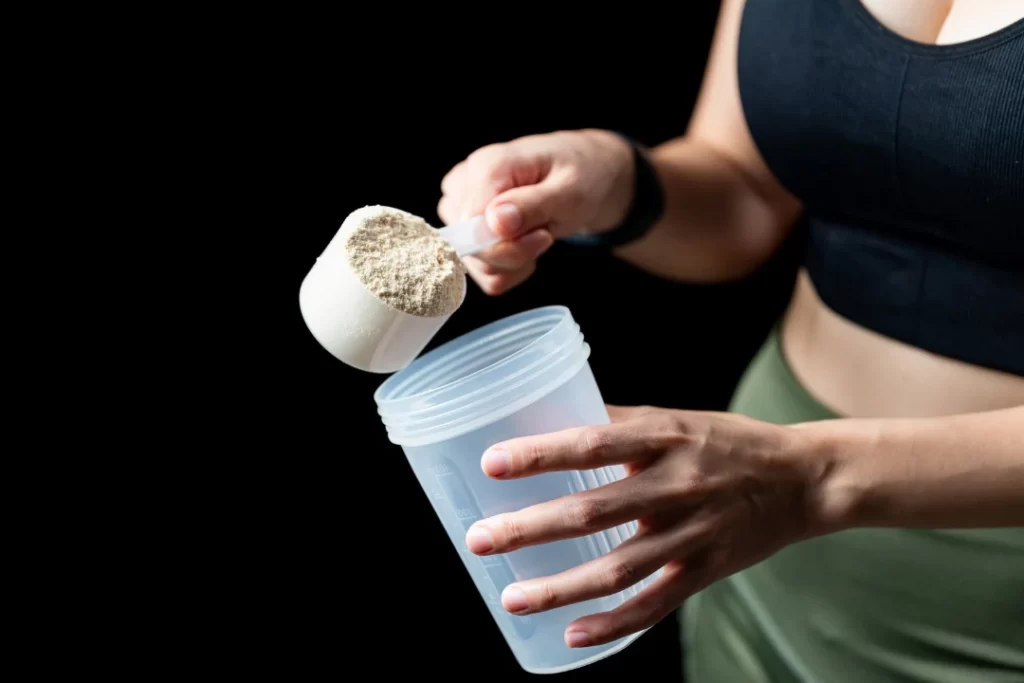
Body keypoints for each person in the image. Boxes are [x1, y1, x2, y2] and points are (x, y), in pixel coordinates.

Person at [437, 0, 1024, 681]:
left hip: (986, 583)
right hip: (761, 522)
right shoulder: (765, 486)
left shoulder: (791, 481)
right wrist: (620, 183)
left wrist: (812, 478)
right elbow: (744, 191)